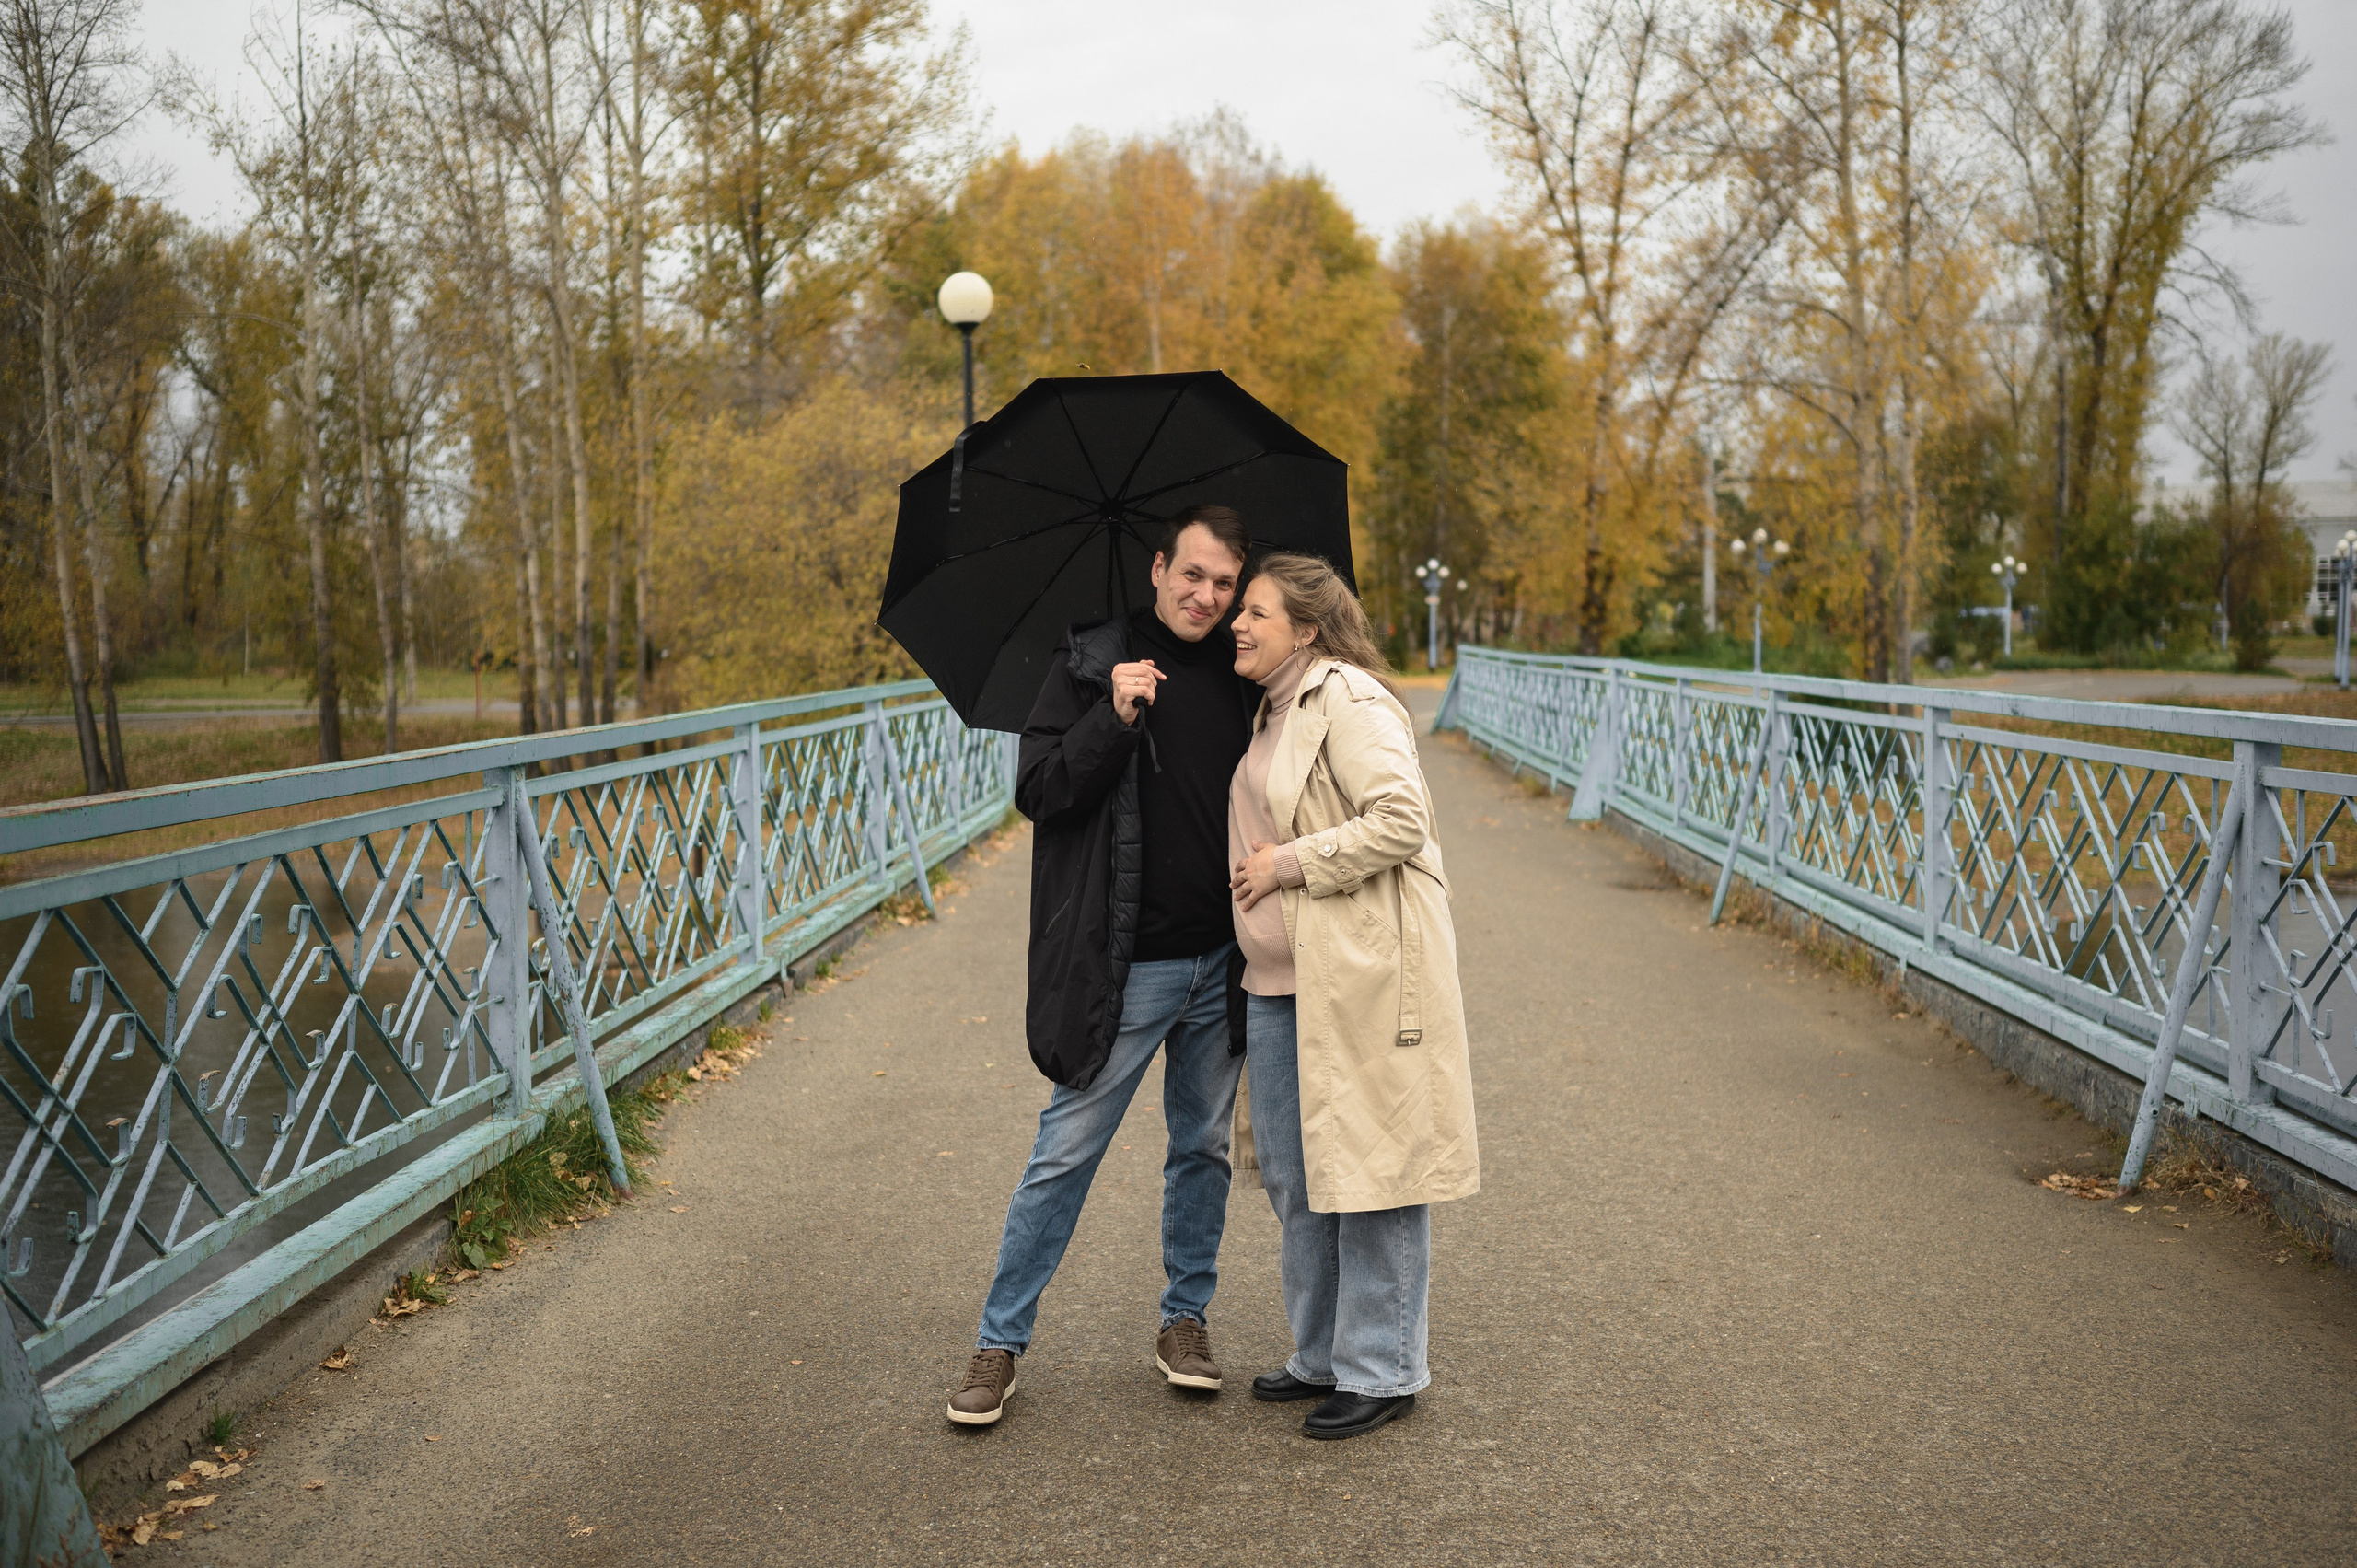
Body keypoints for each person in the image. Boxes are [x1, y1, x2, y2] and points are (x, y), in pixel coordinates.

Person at [947, 505, 1260, 1428]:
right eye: (1194, 574)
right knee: (1065, 1151)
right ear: (1159, 567)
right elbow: (1038, 791)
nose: (1207, 595)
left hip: (1223, 961)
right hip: (1126, 967)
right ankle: (999, 1341)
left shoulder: (1249, 671)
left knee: (1201, 1148)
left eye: (1225, 582)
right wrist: (1112, 716)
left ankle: (1184, 1320)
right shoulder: (1089, 663)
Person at [1225, 552, 1480, 1441]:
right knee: (1299, 1176)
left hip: (1360, 974)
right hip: (1281, 979)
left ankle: (1383, 1368)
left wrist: (1286, 865)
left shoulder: (1351, 700)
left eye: (1255, 611)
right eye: (1238, 611)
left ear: (1307, 627)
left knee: (1374, 1168)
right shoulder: (1272, 707)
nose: (1237, 623)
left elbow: (1403, 819)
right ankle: (1324, 1352)